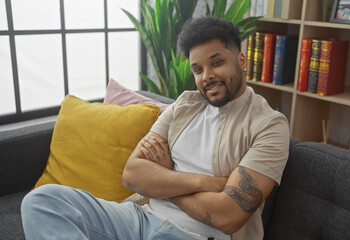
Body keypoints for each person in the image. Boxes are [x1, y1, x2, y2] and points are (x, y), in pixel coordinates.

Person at [21, 16, 290, 240]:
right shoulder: (185, 105)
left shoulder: (268, 125)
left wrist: (163, 180)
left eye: (217, 62)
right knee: (42, 201)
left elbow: (227, 215)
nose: (206, 75)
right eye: (198, 69)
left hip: (192, 235)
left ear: (241, 60)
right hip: (138, 217)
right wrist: (207, 183)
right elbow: (132, 173)